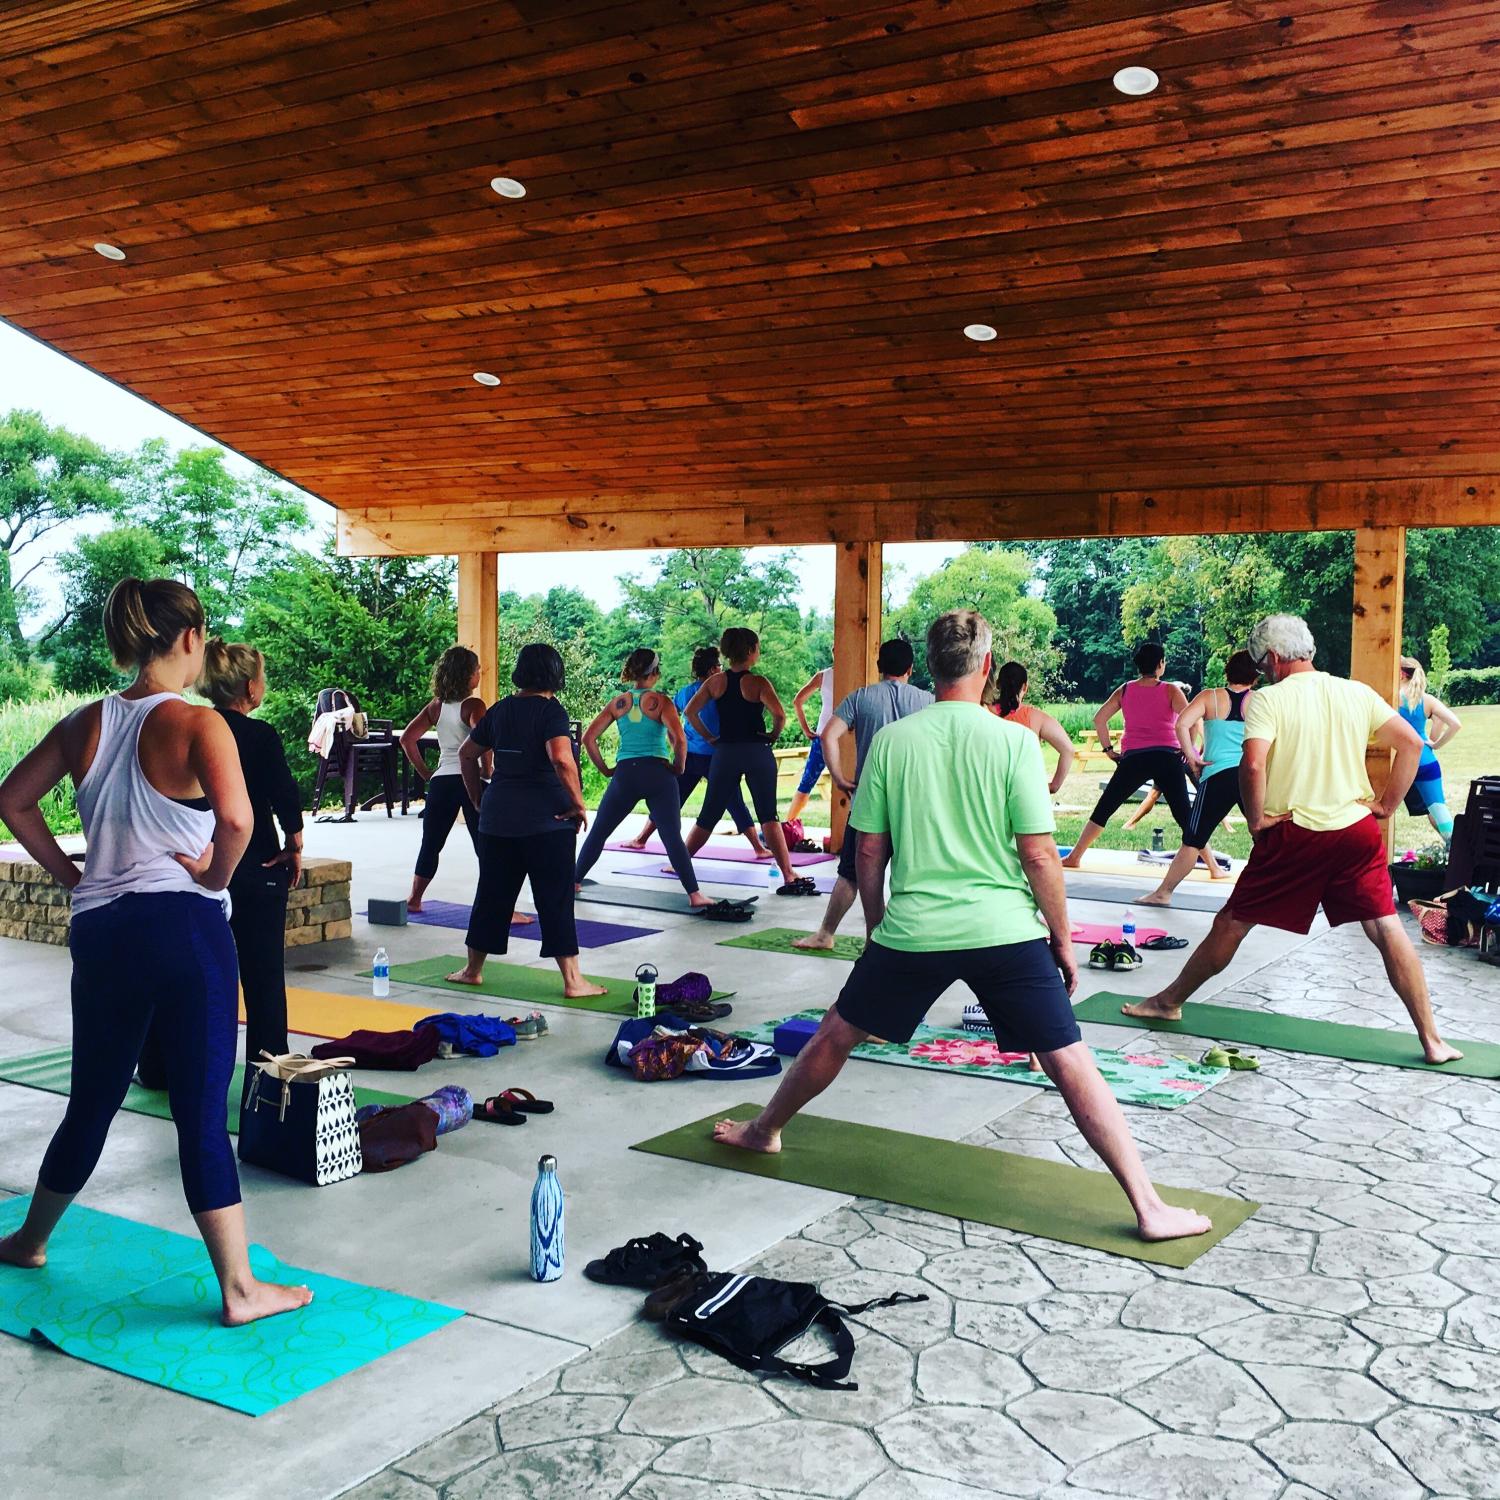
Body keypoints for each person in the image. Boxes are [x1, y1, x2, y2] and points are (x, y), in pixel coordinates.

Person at [714, 610, 1211, 1245]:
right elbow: (1037, 854)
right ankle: (1148, 1206)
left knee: (837, 1034)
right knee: (1070, 1060)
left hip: (914, 928)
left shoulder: (893, 740)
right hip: (1003, 929)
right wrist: (1060, 938)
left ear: (929, 666)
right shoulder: (1011, 740)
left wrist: (874, 929)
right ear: (984, 666)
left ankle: (763, 1131)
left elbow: (869, 851)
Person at [0, 578, 311, 1324]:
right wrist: (212, 876)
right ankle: (240, 1290)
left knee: (93, 1099)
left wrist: (76, 875)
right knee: (202, 1115)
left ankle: (28, 1239)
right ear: (192, 639)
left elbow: (11, 800)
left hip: (102, 932)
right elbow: (236, 821)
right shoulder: (200, 725)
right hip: (182, 929)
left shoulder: (82, 722)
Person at [1124, 614, 1462, 1066]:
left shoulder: (1269, 700)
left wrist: (1258, 819)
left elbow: (1254, 765)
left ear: (1276, 658)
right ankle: (1432, 1040)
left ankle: (1168, 1002)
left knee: (1233, 922)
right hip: (1356, 832)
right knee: (1384, 927)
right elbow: (1413, 745)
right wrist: (1384, 806)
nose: (1262, 669)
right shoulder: (1355, 692)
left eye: (1263, 662)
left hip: (1295, 833)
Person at [140, 638, 305, 1086]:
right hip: (256, 866)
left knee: (181, 971)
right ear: (251, 687)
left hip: (197, 863)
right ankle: (267, 1077)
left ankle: (155, 1067)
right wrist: (294, 842)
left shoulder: (187, 726)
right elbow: (283, 793)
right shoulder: (259, 735)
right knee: (263, 976)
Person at [444, 643, 606, 998]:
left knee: (491, 895)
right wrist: (579, 804)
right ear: (555, 673)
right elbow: (562, 759)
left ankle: (472, 970)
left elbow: (466, 754)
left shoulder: (500, 710)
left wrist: (476, 798)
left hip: (498, 819)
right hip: (547, 822)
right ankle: (573, 982)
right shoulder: (551, 712)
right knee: (555, 899)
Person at [792, 639, 932, 951]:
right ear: (911, 669)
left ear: (880, 667)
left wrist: (839, 776)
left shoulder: (861, 698)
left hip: (868, 802)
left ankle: (826, 934)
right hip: (912, 806)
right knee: (916, 878)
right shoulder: (927, 701)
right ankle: (912, 941)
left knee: (850, 875)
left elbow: (828, 735)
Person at [573, 649, 712, 908]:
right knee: (671, 837)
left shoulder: (618, 703)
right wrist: (679, 767)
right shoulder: (661, 702)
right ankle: (694, 894)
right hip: (658, 773)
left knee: (600, 832)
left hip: (626, 774)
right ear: (656, 673)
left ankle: (575, 882)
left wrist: (605, 769)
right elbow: (680, 739)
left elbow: (588, 738)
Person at [402, 646, 527, 918]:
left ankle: (414, 899)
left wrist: (426, 773)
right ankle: (504, 909)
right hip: (470, 780)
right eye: (476, 669)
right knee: (487, 847)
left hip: (442, 782)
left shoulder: (436, 706)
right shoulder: (474, 705)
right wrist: (487, 769)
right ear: (466, 675)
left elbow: (407, 739)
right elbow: (482, 740)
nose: (479, 673)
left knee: (431, 843)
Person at [682, 628, 806, 894]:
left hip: (725, 753)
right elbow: (780, 716)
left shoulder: (715, 682)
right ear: (751, 651)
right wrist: (772, 735)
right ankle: (787, 873)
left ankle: (680, 863)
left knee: (709, 814)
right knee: (768, 815)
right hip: (756, 751)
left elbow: (690, 712)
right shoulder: (759, 683)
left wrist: (710, 738)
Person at [622, 646, 770, 859]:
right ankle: (758, 847)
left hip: (690, 755)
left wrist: (673, 746)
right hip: (715, 756)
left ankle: (641, 839)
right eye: (719, 666)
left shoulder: (684, 693)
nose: (722, 669)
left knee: (675, 799)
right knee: (733, 800)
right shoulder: (719, 691)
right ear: (712, 670)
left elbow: (670, 719)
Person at [1139, 652, 1259, 906]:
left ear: (1227, 671)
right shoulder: (1259, 702)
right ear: (1255, 676)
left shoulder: (1209, 696)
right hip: (1249, 775)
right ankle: (1276, 893)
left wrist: (1192, 757)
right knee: (1264, 837)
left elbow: (1181, 724)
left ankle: (1163, 893)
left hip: (1217, 775)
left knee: (1193, 839)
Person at [1061, 644, 1193, 869]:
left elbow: (1099, 719)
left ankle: (1075, 856)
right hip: (1167, 756)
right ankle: (1212, 865)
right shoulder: (1171, 689)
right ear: (1160, 664)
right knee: (1185, 816)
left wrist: (1108, 750)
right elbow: (1190, 719)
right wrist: (1187, 748)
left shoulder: (1126, 689)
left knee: (1106, 806)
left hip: (1134, 757)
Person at [1398, 656, 1462, 843]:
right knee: (1437, 809)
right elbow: (1455, 724)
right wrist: (1435, 745)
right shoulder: (1427, 700)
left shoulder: (1390, 697)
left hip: (1398, 762)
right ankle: (1455, 852)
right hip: (1425, 760)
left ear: (1401, 674)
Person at [988, 660, 1074, 795]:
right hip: (1026, 792)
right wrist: (1054, 786)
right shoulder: (1036, 718)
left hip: (990, 791)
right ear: (1025, 687)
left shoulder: (984, 712)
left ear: (998, 684)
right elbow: (1068, 750)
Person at [785, 663, 834, 826]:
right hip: (826, 737)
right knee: (806, 784)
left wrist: (806, 730)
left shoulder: (825, 676)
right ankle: (788, 826)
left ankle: (788, 825)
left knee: (807, 783)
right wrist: (806, 729)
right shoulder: (823, 676)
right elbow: (797, 701)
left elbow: (798, 701)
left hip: (835, 738)